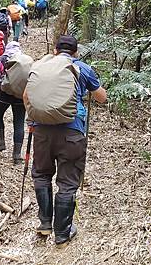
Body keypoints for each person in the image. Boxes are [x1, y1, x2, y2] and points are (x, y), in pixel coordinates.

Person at [24, 35, 107, 247]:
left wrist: (33, 118)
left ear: (55, 50)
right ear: (76, 52)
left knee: (41, 175)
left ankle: (44, 224)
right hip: (72, 132)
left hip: (42, 131)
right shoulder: (82, 68)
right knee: (68, 183)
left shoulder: (43, 66)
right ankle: (62, 235)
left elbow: (26, 95)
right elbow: (101, 97)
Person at [0, 41, 27, 163]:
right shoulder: (24, 60)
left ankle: (1, 142)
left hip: (4, 93)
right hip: (20, 94)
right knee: (19, 123)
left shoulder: (2, 58)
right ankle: (17, 155)